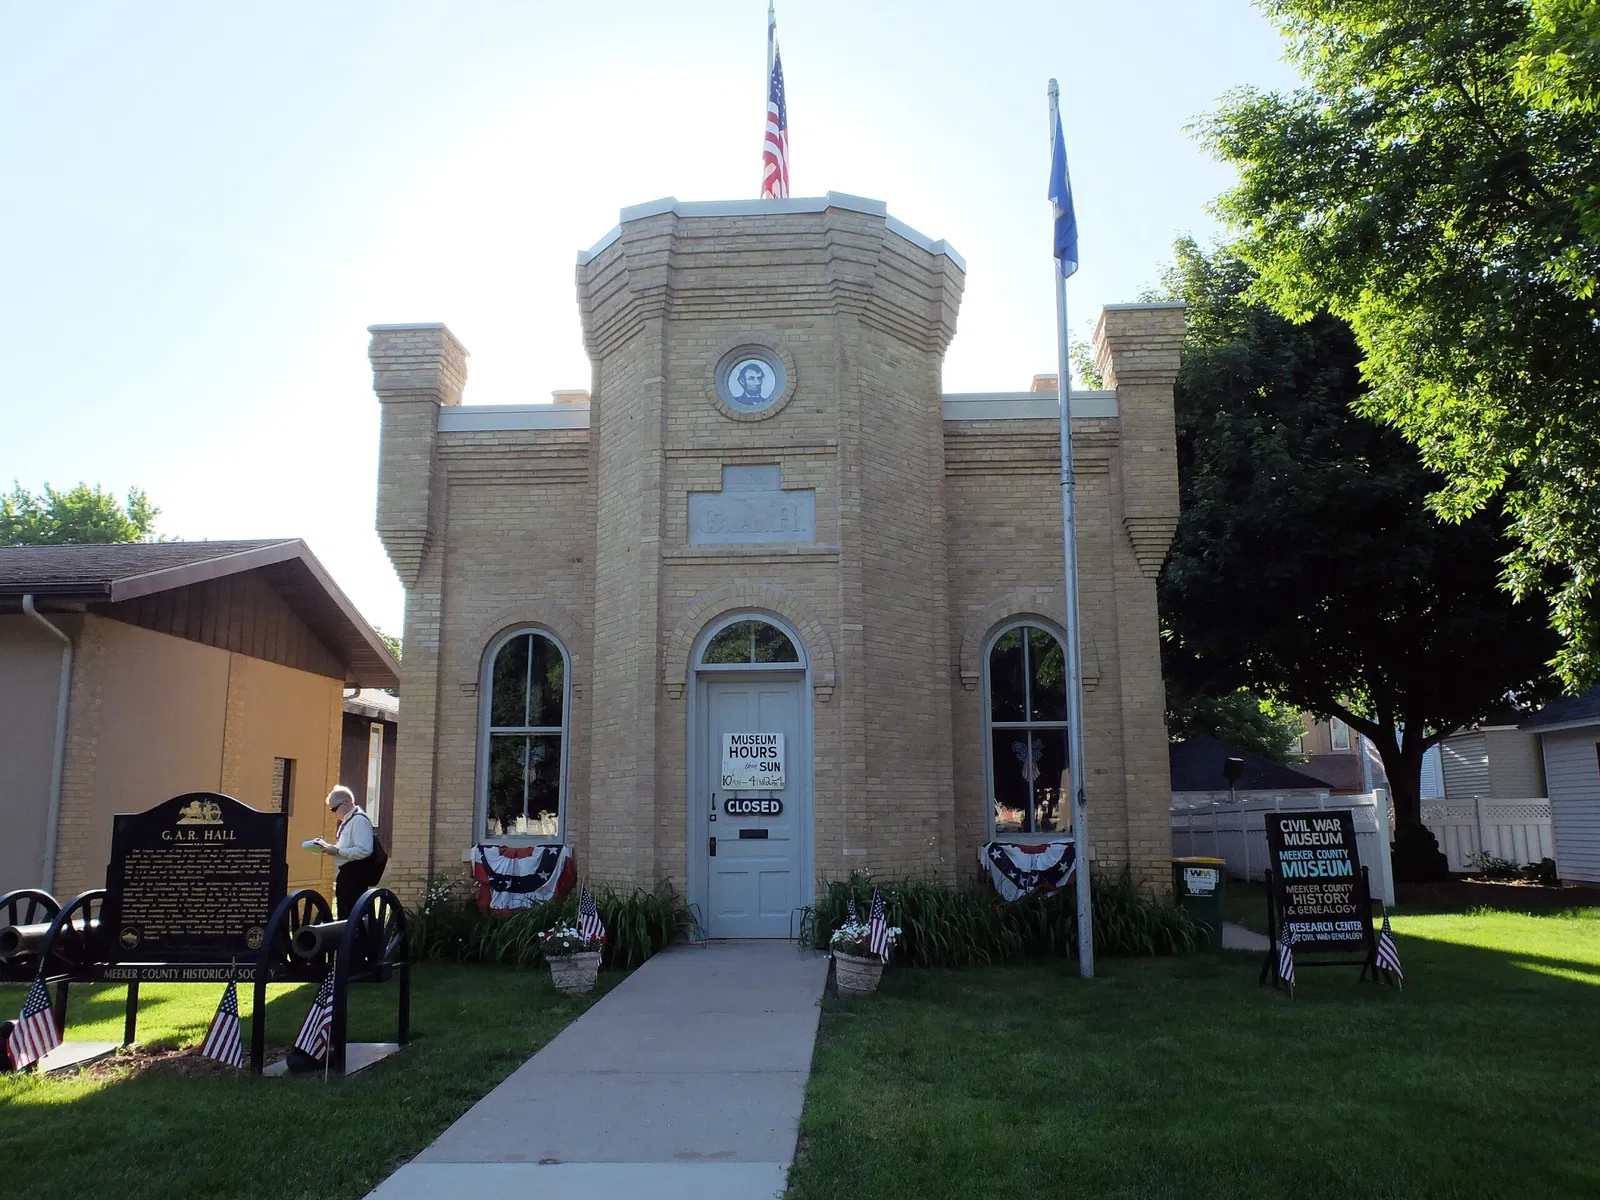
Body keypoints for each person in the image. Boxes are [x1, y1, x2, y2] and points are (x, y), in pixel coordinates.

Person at [308, 786, 387, 917]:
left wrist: (337, 851)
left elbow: (365, 850)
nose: (334, 813)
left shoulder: (359, 821)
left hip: (355, 875)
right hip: (347, 874)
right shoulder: (349, 821)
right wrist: (328, 847)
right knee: (344, 914)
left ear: (345, 803)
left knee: (351, 916)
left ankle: (356, 937)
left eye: (334, 809)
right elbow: (347, 847)